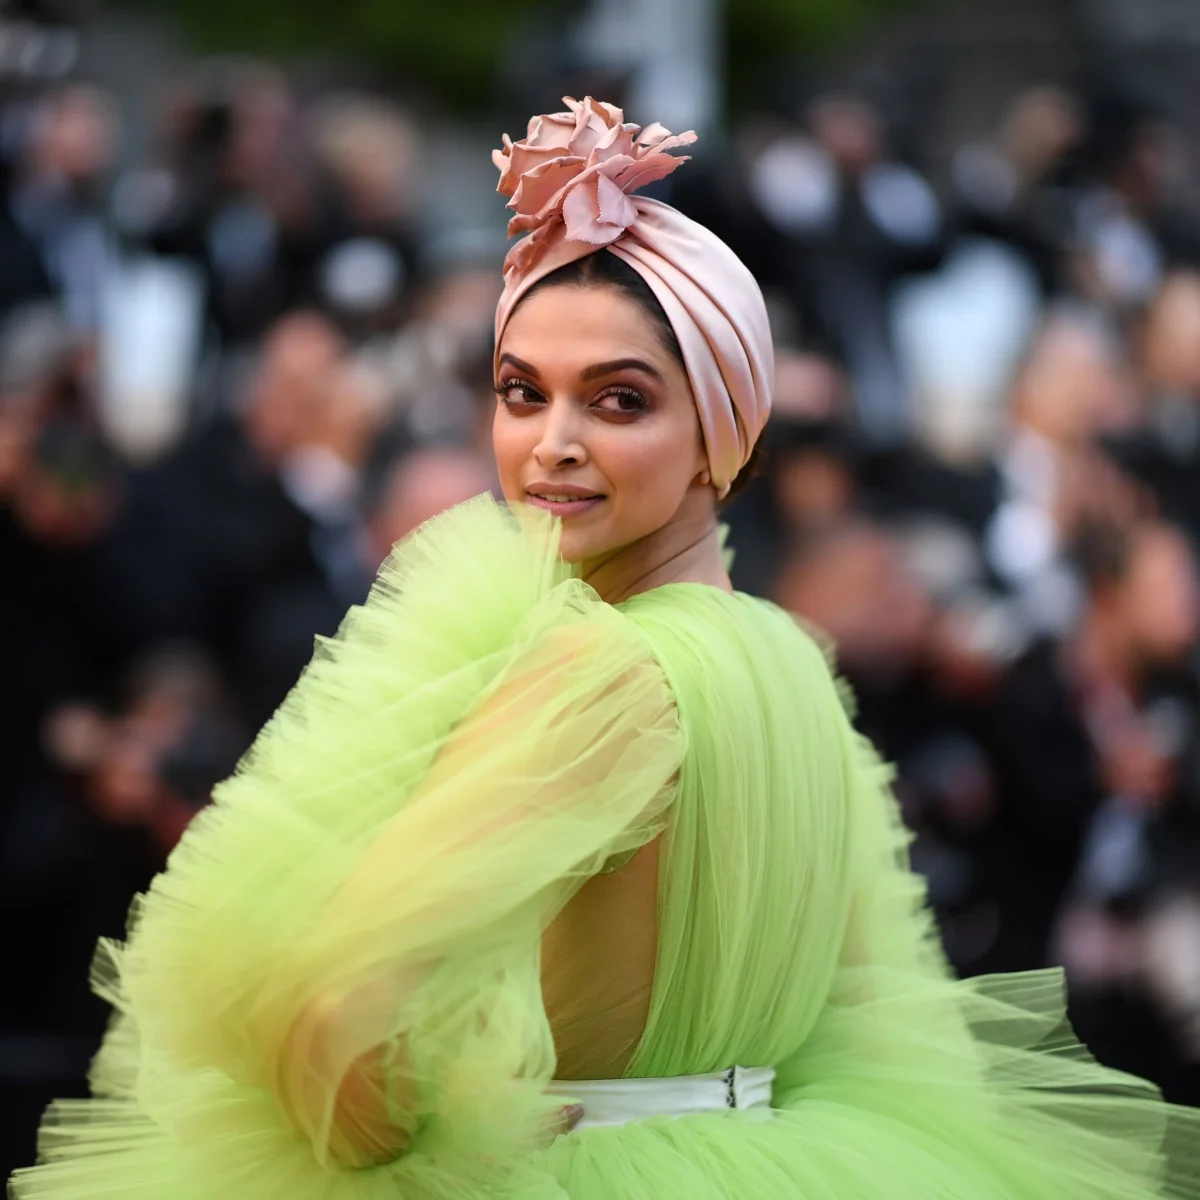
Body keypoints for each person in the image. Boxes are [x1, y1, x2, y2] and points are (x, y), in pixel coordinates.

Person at [11, 96, 1200, 1200]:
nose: (552, 443)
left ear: (719, 433)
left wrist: (419, 1150)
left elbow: (336, 1022)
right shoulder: (783, 657)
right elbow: (870, 1015)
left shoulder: (604, 673)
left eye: (619, 400)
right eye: (520, 391)